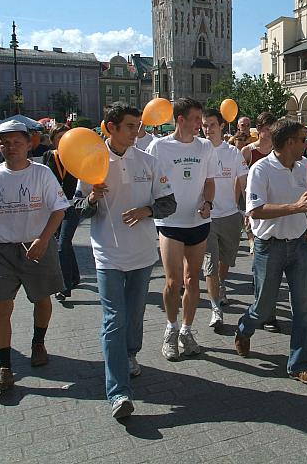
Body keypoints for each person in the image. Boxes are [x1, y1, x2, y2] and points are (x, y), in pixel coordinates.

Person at [74, 102, 176, 419]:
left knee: (134, 316)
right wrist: (91, 198)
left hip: (144, 253)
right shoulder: (92, 162)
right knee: (113, 320)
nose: (137, 132)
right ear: (111, 127)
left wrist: (147, 211)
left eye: (137, 126)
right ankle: (118, 393)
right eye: (130, 126)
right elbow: (77, 210)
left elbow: (169, 203)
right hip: (107, 253)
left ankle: (131, 354)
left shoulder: (148, 161)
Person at [0, 120, 69, 390]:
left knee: (42, 300)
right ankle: (4, 366)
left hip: (38, 247)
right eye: (5, 142)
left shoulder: (42, 173)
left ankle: (38, 343)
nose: (11, 147)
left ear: (29, 144)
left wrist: (43, 239)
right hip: (2, 250)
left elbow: (59, 210)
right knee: (1, 305)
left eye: (17, 142)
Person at [233, 118, 307, 385]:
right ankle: (243, 329)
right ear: (289, 143)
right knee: (263, 308)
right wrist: (294, 207)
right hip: (268, 247)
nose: (306, 144)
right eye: (302, 139)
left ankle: (299, 364)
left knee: (303, 307)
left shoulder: (304, 166)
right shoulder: (261, 169)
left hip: (298, 245)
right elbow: (255, 210)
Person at [146, 98, 218, 361]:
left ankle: (187, 330)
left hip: (198, 222)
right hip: (170, 223)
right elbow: (149, 182)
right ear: (180, 120)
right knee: (173, 282)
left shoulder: (206, 147)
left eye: (202, 119)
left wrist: (208, 203)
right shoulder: (159, 147)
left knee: (192, 280)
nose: (202, 124)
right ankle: (171, 329)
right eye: (197, 119)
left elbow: (210, 181)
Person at [201, 109, 248, 329]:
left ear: (221, 126)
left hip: (230, 215)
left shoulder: (233, 153)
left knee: (225, 261)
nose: (207, 129)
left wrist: (249, 211)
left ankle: (220, 284)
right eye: (204, 125)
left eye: (211, 125)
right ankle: (215, 308)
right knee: (210, 262)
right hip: (206, 217)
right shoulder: (198, 150)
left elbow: (245, 182)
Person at [240, 112, 279, 330]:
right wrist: (245, 211)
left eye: (273, 128)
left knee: (267, 263)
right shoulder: (248, 151)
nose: (270, 133)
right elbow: (242, 184)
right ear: (260, 129)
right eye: (267, 128)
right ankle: (264, 310)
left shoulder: (278, 152)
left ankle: (265, 307)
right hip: (255, 212)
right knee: (259, 257)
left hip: (274, 212)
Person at [42, 125, 81, 301]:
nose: (62, 140)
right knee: (65, 244)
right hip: (53, 208)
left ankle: (64, 286)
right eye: (58, 137)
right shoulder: (49, 156)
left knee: (61, 245)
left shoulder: (76, 157)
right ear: (52, 140)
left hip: (72, 206)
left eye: (66, 137)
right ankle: (75, 276)